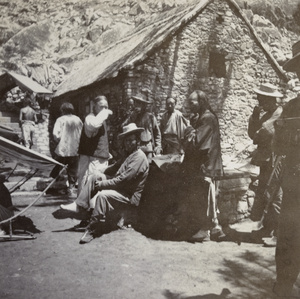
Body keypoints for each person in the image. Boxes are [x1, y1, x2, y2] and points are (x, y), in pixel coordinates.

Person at [60, 123, 149, 244]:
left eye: (131, 140)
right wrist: (100, 172)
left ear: (137, 141)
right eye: (126, 141)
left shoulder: (139, 157)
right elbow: (114, 167)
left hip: (129, 195)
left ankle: (92, 229)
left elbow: (122, 180)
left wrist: (102, 184)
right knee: (94, 177)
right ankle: (79, 206)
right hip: (121, 189)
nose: (128, 143)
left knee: (103, 196)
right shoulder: (129, 155)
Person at [272, 40, 300, 298]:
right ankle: (283, 285)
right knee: (290, 236)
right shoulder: (291, 107)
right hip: (295, 184)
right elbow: (278, 145)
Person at [183, 90, 224, 242]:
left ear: (201, 102)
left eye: (192, 102)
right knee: (209, 196)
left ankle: (205, 230)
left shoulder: (207, 118)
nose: (189, 105)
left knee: (206, 197)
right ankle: (213, 227)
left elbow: (196, 142)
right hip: (207, 164)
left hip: (207, 165)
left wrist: (188, 130)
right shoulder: (204, 117)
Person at [248, 83, 283, 247]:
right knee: (264, 192)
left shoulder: (279, 114)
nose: (259, 102)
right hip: (265, 160)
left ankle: (279, 233)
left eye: (261, 99)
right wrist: (254, 117)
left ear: (270, 99)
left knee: (275, 194)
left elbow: (263, 132)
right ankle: (268, 228)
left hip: (276, 160)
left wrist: (257, 131)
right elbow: (252, 133)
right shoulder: (266, 114)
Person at [77, 95, 112, 194]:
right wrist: (105, 113)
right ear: (94, 106)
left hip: (99, 157)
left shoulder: (101, 119)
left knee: (97, 183)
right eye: (101, 106)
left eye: (106, 107)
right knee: (88, 183)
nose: (104, 109)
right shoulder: (91, 118)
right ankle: (83, 206)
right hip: (91, 158)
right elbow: (93, 126)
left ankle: (93, 207)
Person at [51, 102, 83, 198]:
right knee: (73, 169)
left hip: (63, 148)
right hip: (75, 148)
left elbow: (55, 134)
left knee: (58, 166)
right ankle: (71, 188)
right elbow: (82, 133)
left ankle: (55, 185)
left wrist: (58, 140)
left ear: (63, 110)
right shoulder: (77, 119)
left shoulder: (60, 119)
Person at [123, 94, 162, 162]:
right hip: (135, 148)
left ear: (144, 105)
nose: (138, 105)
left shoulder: (150, 117)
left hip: (148, 147)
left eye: (140, 103)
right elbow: (124, 127)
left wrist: (158, 146)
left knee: (148, 166)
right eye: (137, 103)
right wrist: (132, 117)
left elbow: (157, 133)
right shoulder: (132, 116)